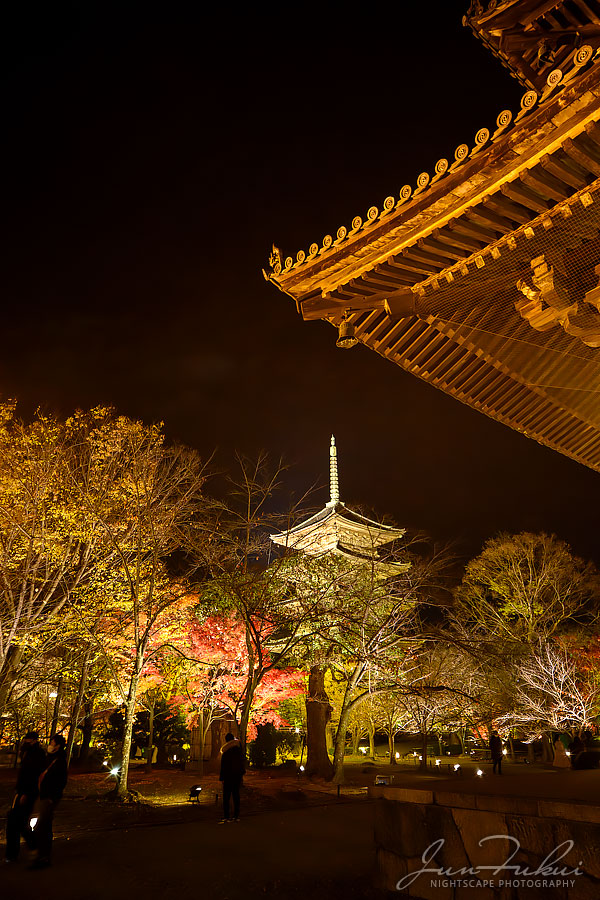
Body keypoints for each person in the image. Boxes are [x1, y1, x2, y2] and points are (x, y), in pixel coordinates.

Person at [4, 731, 46, 863]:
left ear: (33, 740)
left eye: (27, 739)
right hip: (23, 792)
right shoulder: (28, 752)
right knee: (15, 822)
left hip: (27, 793)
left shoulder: (37, 754)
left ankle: (32, 847)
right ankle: (18, 852)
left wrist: (25, 793)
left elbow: (32, 775)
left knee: (17, 822)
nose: (25, 741)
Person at [29, 734, 68, 869]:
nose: (50, 745)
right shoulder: (51, 758)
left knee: (43, 825)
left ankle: (43, 856)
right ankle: (42, 855)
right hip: (44, 796)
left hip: (49, 797)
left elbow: (61, 780)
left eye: (52, 742)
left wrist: (52, 797)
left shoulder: (60, 760)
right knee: (43, 825)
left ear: (57, 746)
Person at [219, 732, 245, 823]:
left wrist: (221, 778)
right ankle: (236, 816)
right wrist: (241, 774)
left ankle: (226, 816)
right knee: (236, 796)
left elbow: (223, 766)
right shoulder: (239, 750)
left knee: (226, 797)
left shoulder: (225, 752)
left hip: (227, 777)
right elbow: (242, 763)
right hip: (236, 776)